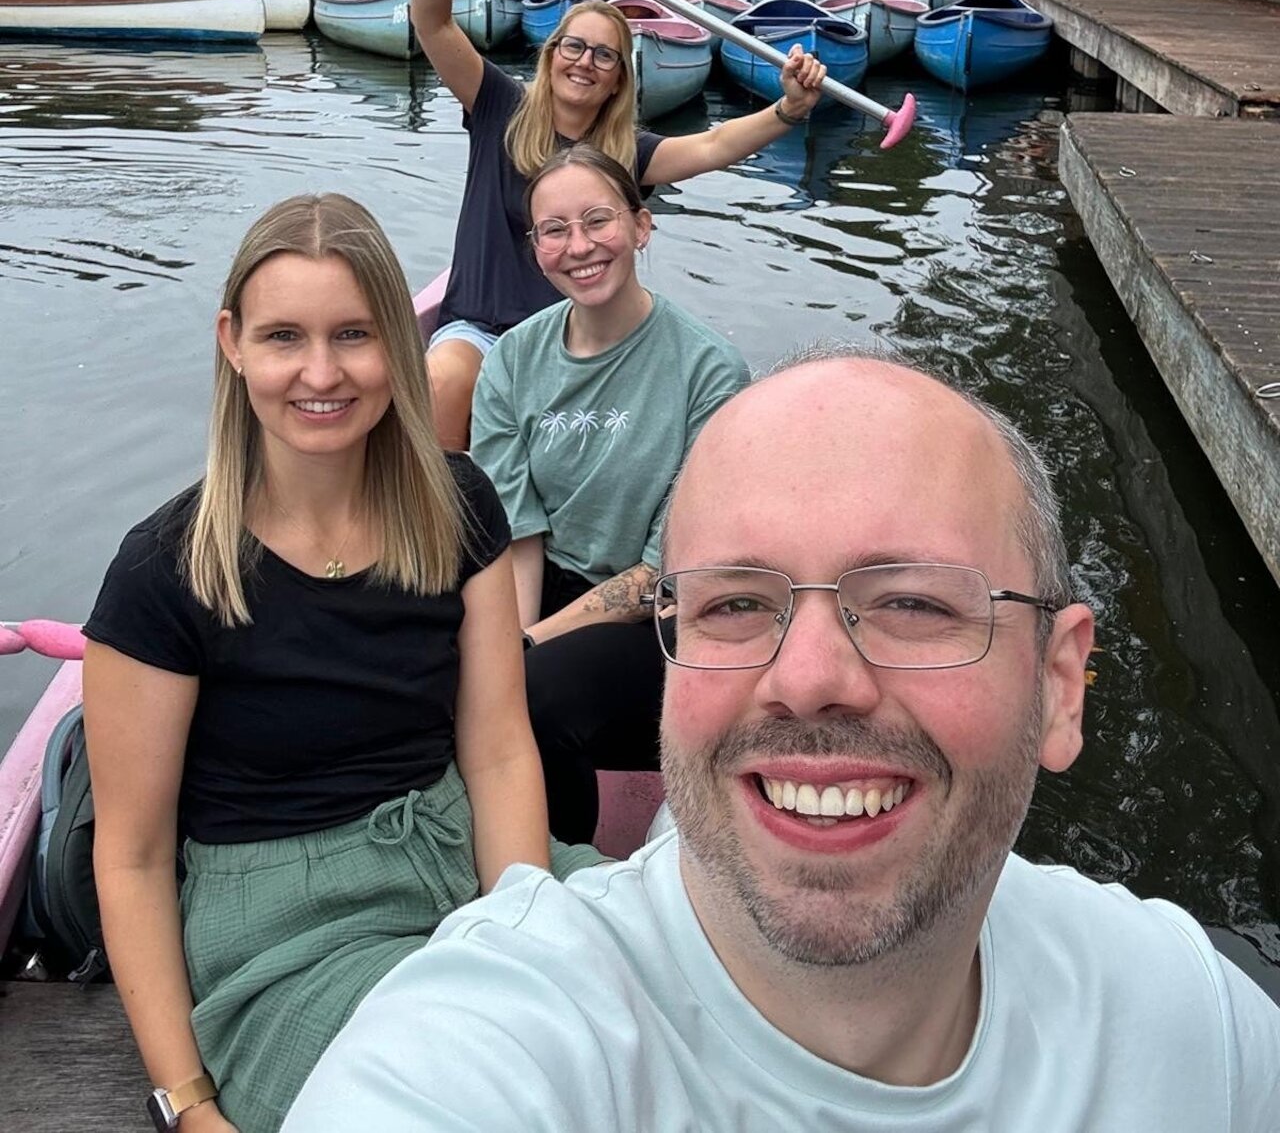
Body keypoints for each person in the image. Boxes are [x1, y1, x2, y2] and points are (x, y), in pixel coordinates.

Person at [284, 353, 1280, 1131]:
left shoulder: (1193, 1021)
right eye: (735, 603)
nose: (805, 679)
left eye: (910, 601)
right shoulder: (491, 1045)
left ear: (1059, 685)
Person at [82, 195, 594, 1133]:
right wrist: (188, 1104)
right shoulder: (164, 574)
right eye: (285, 337)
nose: (321, 373)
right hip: (283, 928)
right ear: (232, 343)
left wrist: (522, 932)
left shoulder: (458, 506)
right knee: (477, 1092)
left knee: (667, 984)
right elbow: (135, 857)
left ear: (397, 342)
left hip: (460, 850)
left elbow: (496, 753)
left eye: (353, 334)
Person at [412, 0, 826, 449]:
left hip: (574, 345)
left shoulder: (625, 154)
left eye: (605, 55)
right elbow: (433, 21)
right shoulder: (497, 105)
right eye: (574, 46)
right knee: (444, 381)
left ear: (617, 81)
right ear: (552, 55)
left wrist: (788, 109)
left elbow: (712, 145)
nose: (586, 62)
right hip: (480, 329)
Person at [469, 142, 749, 843]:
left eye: (598, 221)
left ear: (641, 226)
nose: (580, 246)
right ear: (535, 248)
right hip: (548, 590)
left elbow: (663, 574)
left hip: (662, 619)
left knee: (532, 697)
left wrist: (524, 649)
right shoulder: (512, 360)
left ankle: (555, 879)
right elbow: (519, 532)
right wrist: (508, 633)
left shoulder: (708, 371)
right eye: (555, 230)